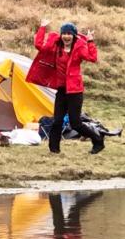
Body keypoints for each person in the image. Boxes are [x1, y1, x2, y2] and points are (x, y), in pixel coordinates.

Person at [26, 20, 105, 155]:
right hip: (62, 90)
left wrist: (90, 41)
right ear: (61, 35)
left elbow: (92, 58)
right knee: (57, 121)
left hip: (75, 91)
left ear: (73, 36)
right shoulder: (56, 46)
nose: (66, 36)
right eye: (64, 33)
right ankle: (54, 150)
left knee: (76, 123)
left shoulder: (79, 48)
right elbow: (39, 45)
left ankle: (98, 140)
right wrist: (42, 27)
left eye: (69, 34)